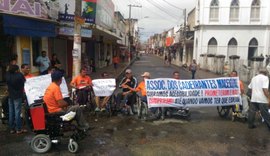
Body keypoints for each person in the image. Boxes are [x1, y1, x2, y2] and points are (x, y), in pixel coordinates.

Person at [6, 65, 27, 134]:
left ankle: (12, 129)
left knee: (11, 112)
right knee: (17, 112)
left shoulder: (8, 75)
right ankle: (19, 129)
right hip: (17, 95)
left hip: (10, 95)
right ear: (16, 70)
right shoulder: (19, 75)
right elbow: (24, 82)